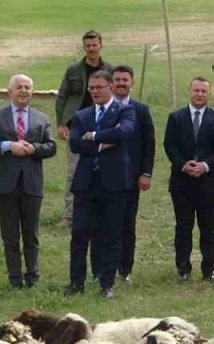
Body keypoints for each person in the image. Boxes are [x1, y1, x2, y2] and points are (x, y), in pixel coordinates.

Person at [66, 70, 136, 299]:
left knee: (112, 235)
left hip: (115, 183)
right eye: (91, 88)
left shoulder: (124, 110)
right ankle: (76, 282)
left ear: (110, 88)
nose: (95, 91)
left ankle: (107, 283)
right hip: (86, 183)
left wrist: (94, 136)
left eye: (99, 87)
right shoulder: (82, 115)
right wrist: (101, 143)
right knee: (79, 234)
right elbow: (75, 143)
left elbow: (124, 133)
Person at [0, 74, 57, 290]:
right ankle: (15, 278)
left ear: (32, 92)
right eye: (19, 87)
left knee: (31, 233)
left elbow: (51, 147)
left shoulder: (42, 118)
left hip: (32, 184)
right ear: (10, 92)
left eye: (27, 87)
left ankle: (32, 276)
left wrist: (34, 149)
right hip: (5, 184)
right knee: (10, 234)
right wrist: (8, 146)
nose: (23, 91)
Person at [164, 76, 214, 282]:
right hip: (181, 182)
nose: (199, 94)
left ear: (209, 94)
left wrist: (205, 166)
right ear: (189, 91)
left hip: (208, 183)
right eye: (196, 90)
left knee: (208, 228)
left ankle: (209, 269)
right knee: (183, 227)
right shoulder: (176, 117)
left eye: (203, 91)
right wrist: (183, 165)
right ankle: (183, 268)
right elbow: (169, 145)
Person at [55, 31, 112, 227]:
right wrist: (61, 124)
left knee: (104, 170)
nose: (91, 49)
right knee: (74, 172)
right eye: (88, 45)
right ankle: (69, 217)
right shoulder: (73, 70)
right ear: (84, 47)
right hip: (76, 127)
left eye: (94, 45)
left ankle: (100, 214)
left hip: (103, 127)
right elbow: (62, 96)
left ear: (101, 45)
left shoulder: (110, 70)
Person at [105, 64, 154, 283]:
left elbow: (148, 144)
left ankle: (125, 269)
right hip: (104, 176)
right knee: (104, 223)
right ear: (111, 83)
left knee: (127, 224)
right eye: (117, 80)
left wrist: (146, 173)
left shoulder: (140, 110)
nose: (121, 83)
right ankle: (103, 267)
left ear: (132, 83)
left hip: (131, 177)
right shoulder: (102, 107)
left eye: (126, 80)